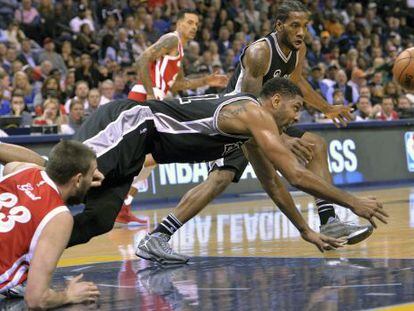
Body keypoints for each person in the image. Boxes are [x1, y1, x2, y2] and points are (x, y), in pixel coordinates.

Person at [140, 0, 369, 262]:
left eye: (304, 26)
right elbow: (248, 104)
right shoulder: (260, 52)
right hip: (233, 119)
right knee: (220, 179)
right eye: (295, 26)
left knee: (315, 145)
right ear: (279, 25)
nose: (301, 32)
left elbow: (295, 86)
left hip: (264, 121)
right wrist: (280, 138)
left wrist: (326, 107)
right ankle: (159, 236)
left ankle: (329, 220)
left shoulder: (298, 49)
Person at [70, 77, 387, 265]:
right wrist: (352, 202)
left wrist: (305, 230)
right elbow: (295, 174)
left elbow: (275, 186)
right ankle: (19, 193)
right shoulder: (252, 112)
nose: (295, 118)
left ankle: (22, 261)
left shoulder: (250, 132)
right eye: (295, 108)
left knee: (97, 221)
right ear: (275, 100)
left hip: (137, 151)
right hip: (129, 123)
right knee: (59, 183)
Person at [118, 9, 228, 226]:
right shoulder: (170, 39)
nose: (194, 26)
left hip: (156, 101)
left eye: (196, 23)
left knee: (154, 157)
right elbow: (142, 59)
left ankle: (124, 206)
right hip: (144, 97)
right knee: (148, 154)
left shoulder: (178, 50)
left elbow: (178, 84)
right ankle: (114, 192)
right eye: (189, 22)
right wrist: (150, 94)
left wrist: (206, 80)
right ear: (179, 24)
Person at [0, 140, 102, 309]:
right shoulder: (59, 217)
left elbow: (11, 159)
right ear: (78, 179)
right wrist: (68, 295)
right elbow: (36, 300)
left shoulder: (21, 171)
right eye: (91, 175)